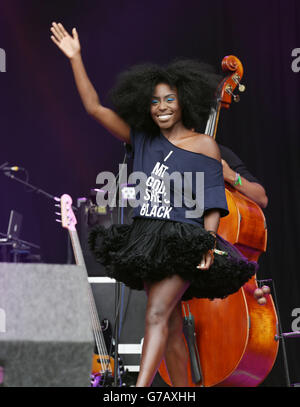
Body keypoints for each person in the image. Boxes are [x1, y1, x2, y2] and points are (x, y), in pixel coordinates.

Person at [50, 22, 258, 387]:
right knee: (172, 326)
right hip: (148, 237)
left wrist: (208, 242)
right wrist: (75, 58)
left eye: (169, 99)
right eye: (155, 100)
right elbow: (94, 108)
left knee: (156, 314)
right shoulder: (142, 139)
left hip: (183, 240)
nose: (161, 107)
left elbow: (212, 201)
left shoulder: (203, 146)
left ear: (184, 103)